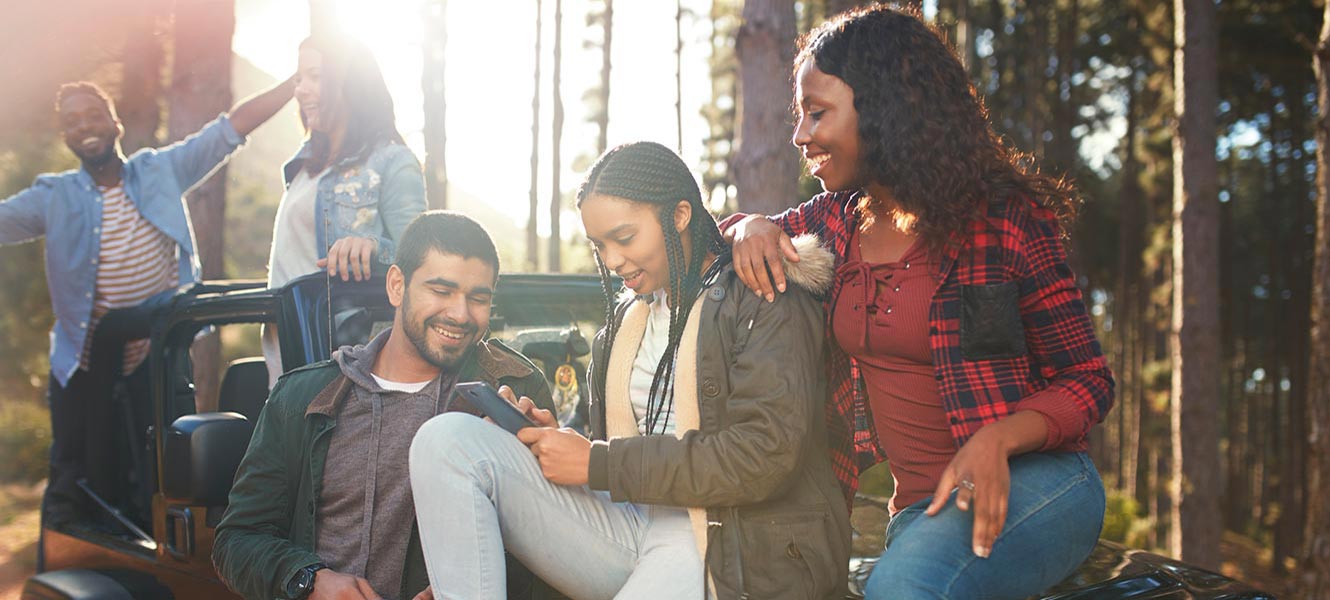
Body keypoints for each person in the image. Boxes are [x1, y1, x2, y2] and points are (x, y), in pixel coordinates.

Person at [724, 6, 1114, 599]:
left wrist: (999, 437)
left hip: (1036, 484)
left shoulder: (1004, 220)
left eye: (818, 113)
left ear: (882, 108)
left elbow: (1088, 378)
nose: (800, 135)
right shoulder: (833, 222)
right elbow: (715, 237)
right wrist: (747, 224)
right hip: (920, 510)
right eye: (799, 114)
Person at [409, 141, 852, 600]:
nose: (613, 260)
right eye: (600, 245)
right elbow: (617, 451)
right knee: (446, 443)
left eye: (624, 238)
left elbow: (764, 455)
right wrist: (556, 440)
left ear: (680, 216)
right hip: (631, 524)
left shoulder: (761, 293)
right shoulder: (626, 321)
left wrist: (597, 462)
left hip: (727, 540)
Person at [214, 211, 554, 600]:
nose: (460, 314)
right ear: (397, 285)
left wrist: (464, 583)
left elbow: (550, 544)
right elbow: (237, 540)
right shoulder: (302, 397)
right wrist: (310, 580)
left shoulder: (512, 390)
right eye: (441, 291)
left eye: (478, 298)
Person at [0, 78, 294, 527]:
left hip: (154, 355)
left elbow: (228, 130)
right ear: (65, 136)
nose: (84, 126)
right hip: (82, 362)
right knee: (74, 482)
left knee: (160, 471)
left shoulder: (160, 170)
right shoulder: (53, 195)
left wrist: (297, 82)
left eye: (93, 115)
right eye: (72, 121)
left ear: (115, 122)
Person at [261, 32, 426, 386]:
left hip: (346, 365)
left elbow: (422, 259)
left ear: (349, 83)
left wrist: (373, 248)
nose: (301, 89)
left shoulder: (392, 162)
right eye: (300, 78)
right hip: (286, 355)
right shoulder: (303, 165)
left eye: (315, 77)